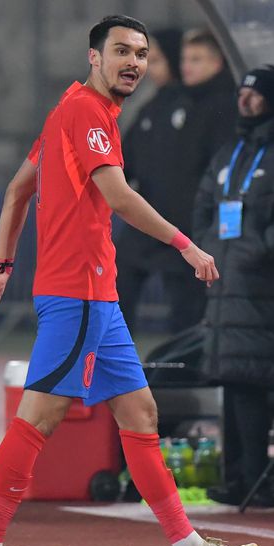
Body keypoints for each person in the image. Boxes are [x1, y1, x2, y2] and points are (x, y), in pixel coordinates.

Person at [0, 15, 258, 546]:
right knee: (39, 418)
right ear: (93, 55)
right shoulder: (85, 113)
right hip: (76, 294)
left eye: (141, 54)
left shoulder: (69, 111)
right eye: (121, 51)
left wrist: (3, 267)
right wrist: (187, 245)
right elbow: (117, 195)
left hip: (99, 296)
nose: (133, 62)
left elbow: (19, 189)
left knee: (140, 414)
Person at [193, 65, 274, 507]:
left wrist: (259, 250)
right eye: (242, 93)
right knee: (236, 381)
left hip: (271, 287)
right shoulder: (230, 150)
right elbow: (203, 207)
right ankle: (245, 479)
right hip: (227, 287)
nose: (244, 101)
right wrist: (209, 248)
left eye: (255, 94)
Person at [116, 27, 237, 335]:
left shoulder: (214, 106)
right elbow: (125, 158)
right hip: (153, 221)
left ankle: (180, 367)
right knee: (117, 274)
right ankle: (109, 355)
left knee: (185, 306)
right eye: (185, 58)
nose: (186, 66)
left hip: (189, 226)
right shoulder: (155, 107)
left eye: (154, 60)